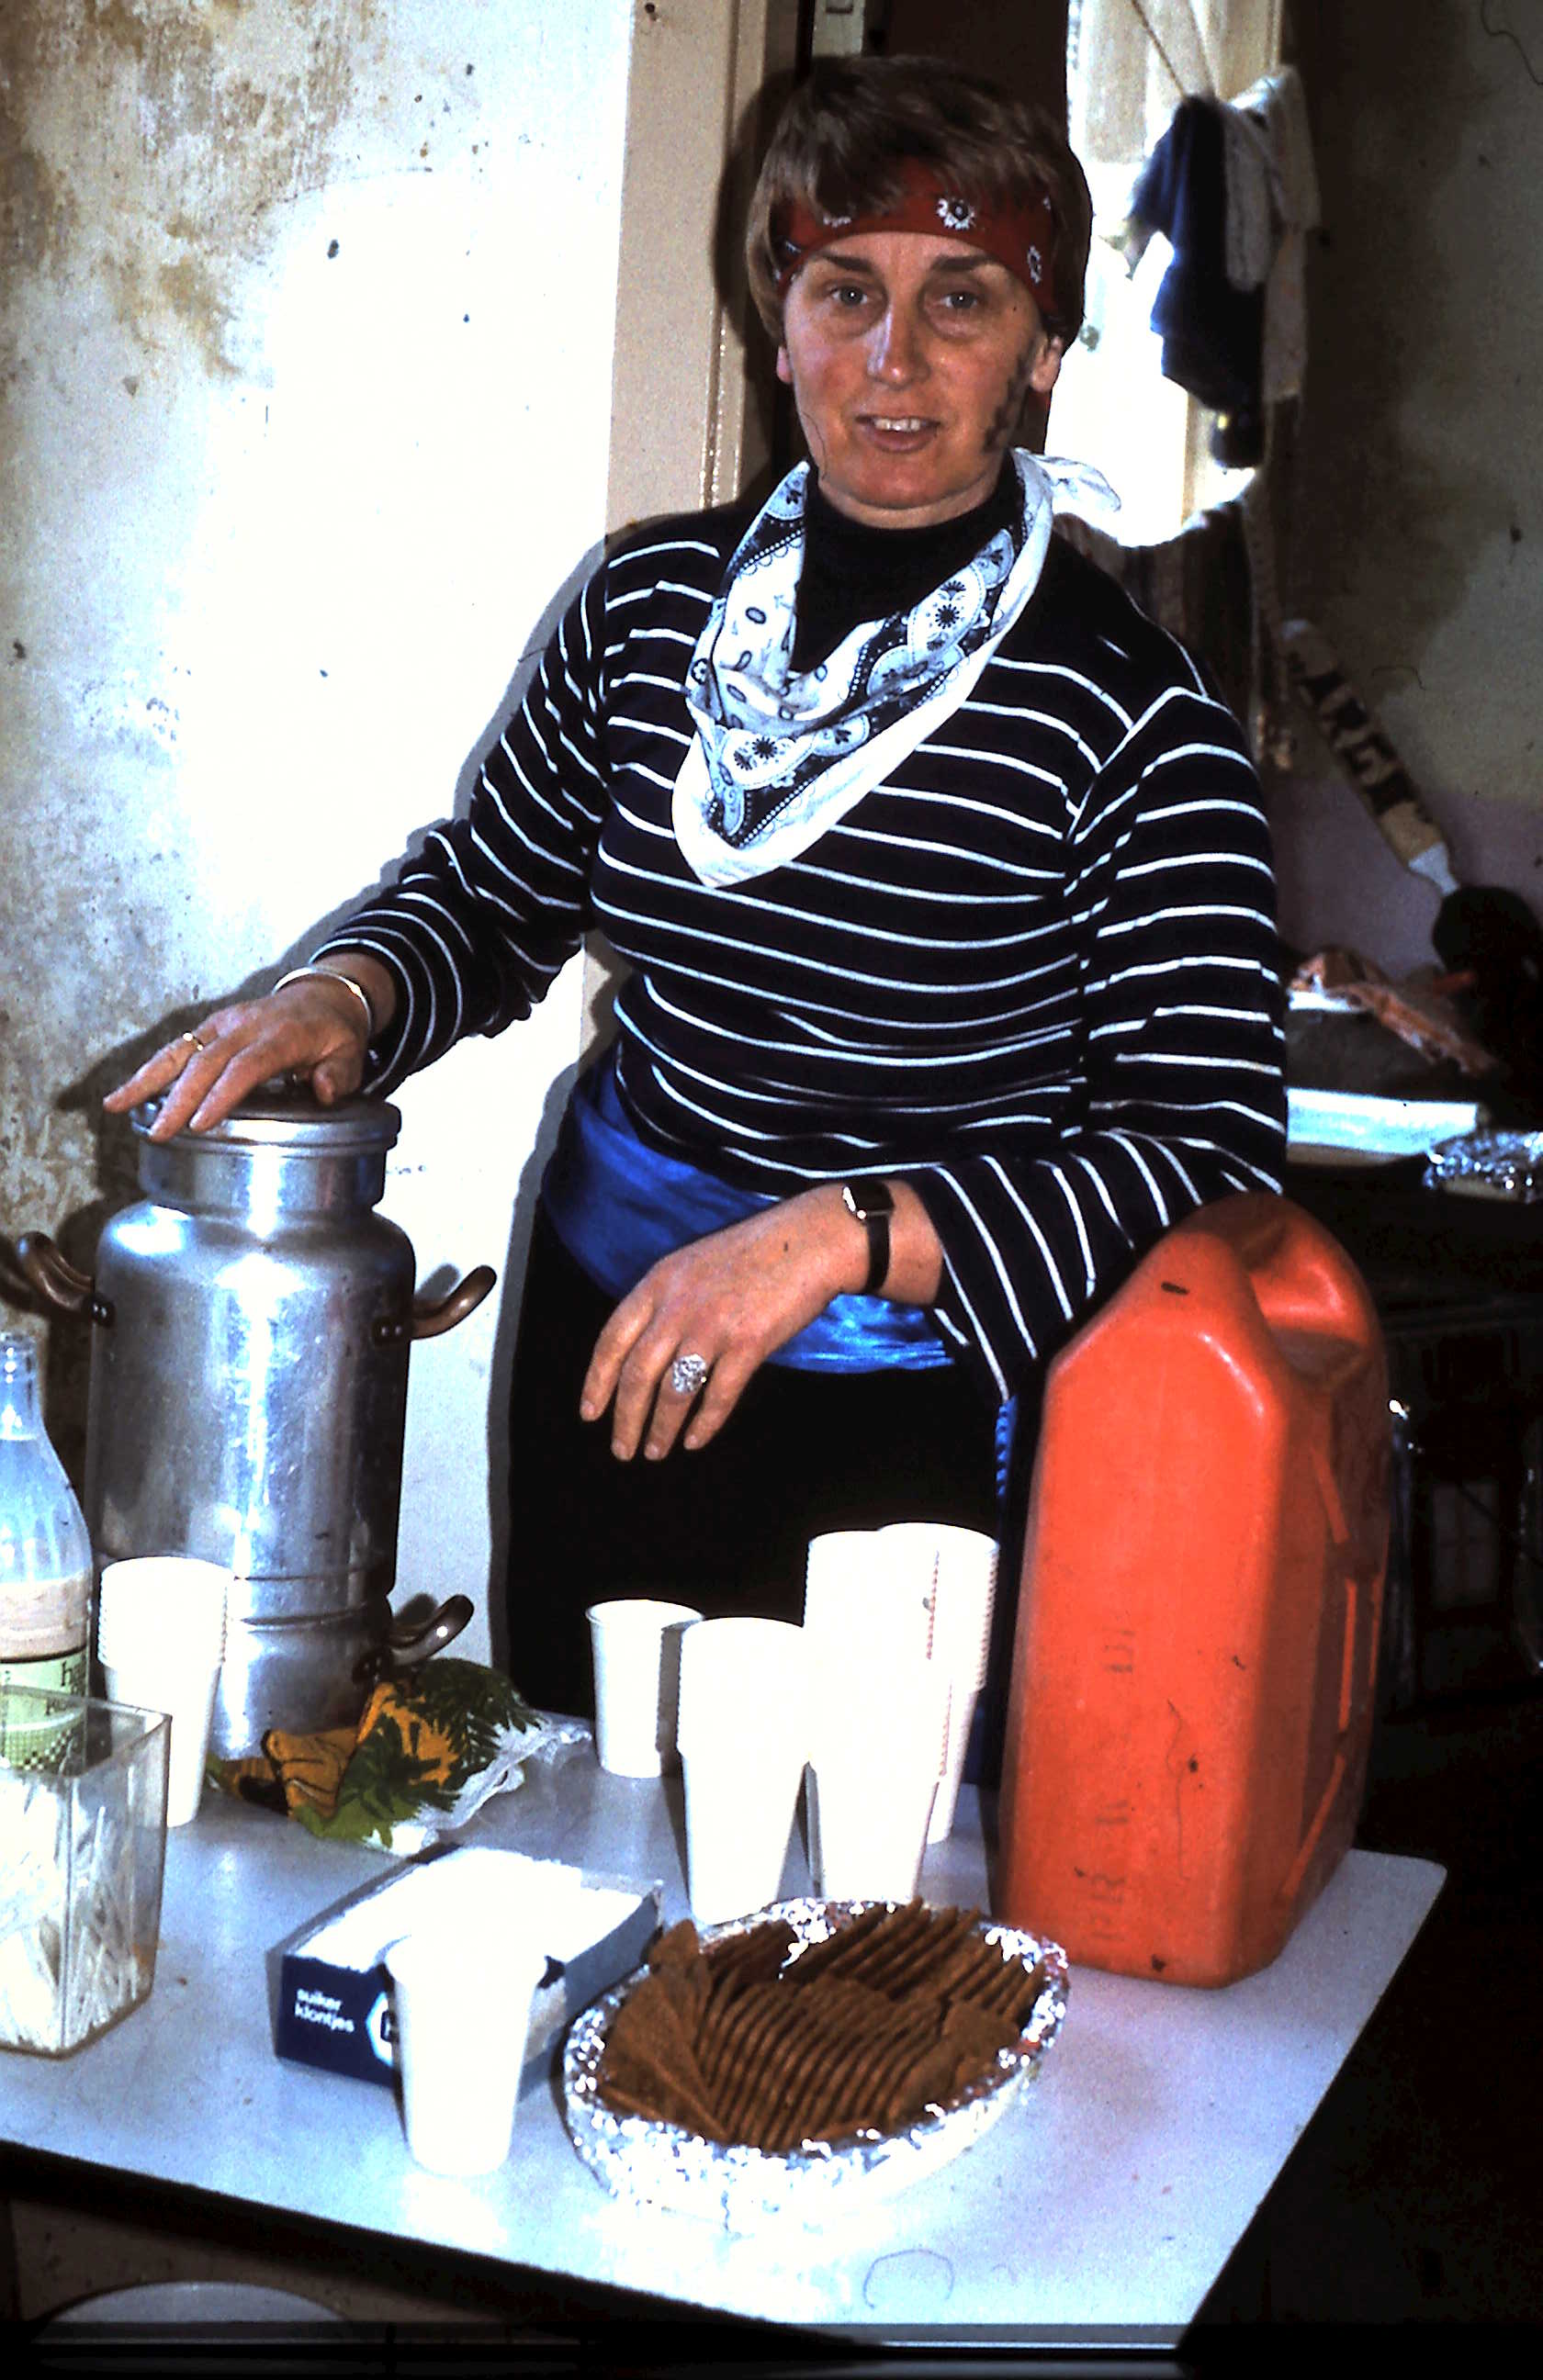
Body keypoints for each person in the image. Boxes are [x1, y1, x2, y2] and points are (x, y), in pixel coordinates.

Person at [107, 55, 1287, 1746]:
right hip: (613, 1344)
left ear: (1044, 347)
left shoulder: (1134, 718)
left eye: (961, 300)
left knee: (852, 1861)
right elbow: (493, 892)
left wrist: (842, 1235)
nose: (894, 358)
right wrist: (345, 996)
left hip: (913, 1419)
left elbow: (1208, 1151)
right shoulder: (649, 606)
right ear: (778, 322)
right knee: (580, 1792)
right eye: (845, 291)